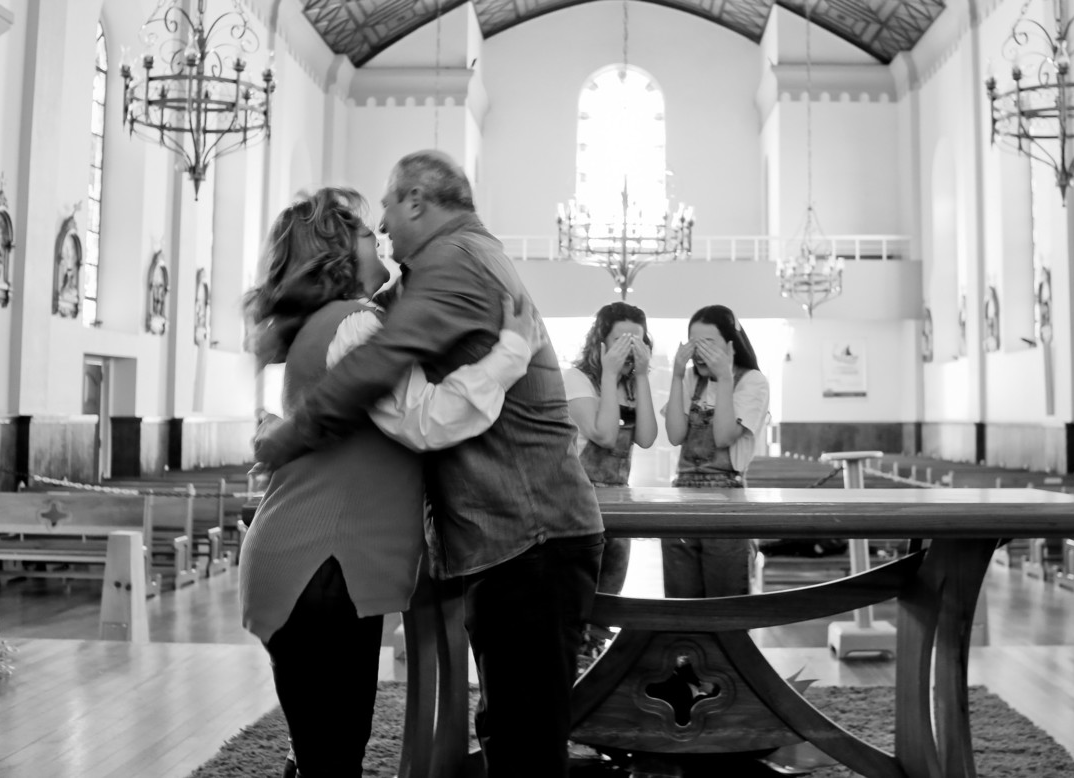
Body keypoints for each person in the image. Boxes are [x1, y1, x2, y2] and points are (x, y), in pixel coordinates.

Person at [253, 151, 605, 778]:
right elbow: (427, 420)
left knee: (325, 753)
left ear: (416, 201)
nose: (381, 228)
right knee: (335, 756)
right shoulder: (355, 323)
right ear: (339, 255)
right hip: (321, 567)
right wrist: (511, 351)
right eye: (367, 230)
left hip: (318, 563)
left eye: (384, 211)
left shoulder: (370, 305)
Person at [562, 302, 657, 655]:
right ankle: (571, 663)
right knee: (577, 595)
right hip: (578, 500)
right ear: (600, 342)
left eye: (637, 341)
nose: (629, 348)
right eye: (620, 340)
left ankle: (593, 657)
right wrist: (608, 373)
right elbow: (602, 435)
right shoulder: (577, 379)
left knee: (609, 593)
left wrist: (642, 377)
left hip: (618, 502)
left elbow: (646, 437)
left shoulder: (632, 386)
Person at [661, 304, 770, 598]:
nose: (699, 353)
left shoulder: (752, 381)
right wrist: (675, 376)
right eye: (694, 344)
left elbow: (723, 436)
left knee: (725, 602)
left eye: (709, 344)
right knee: (681, 602)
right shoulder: (690, 379)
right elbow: (675, 435)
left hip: (727, 501)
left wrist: (724, 378)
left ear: (731, 346)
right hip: (682, 498)